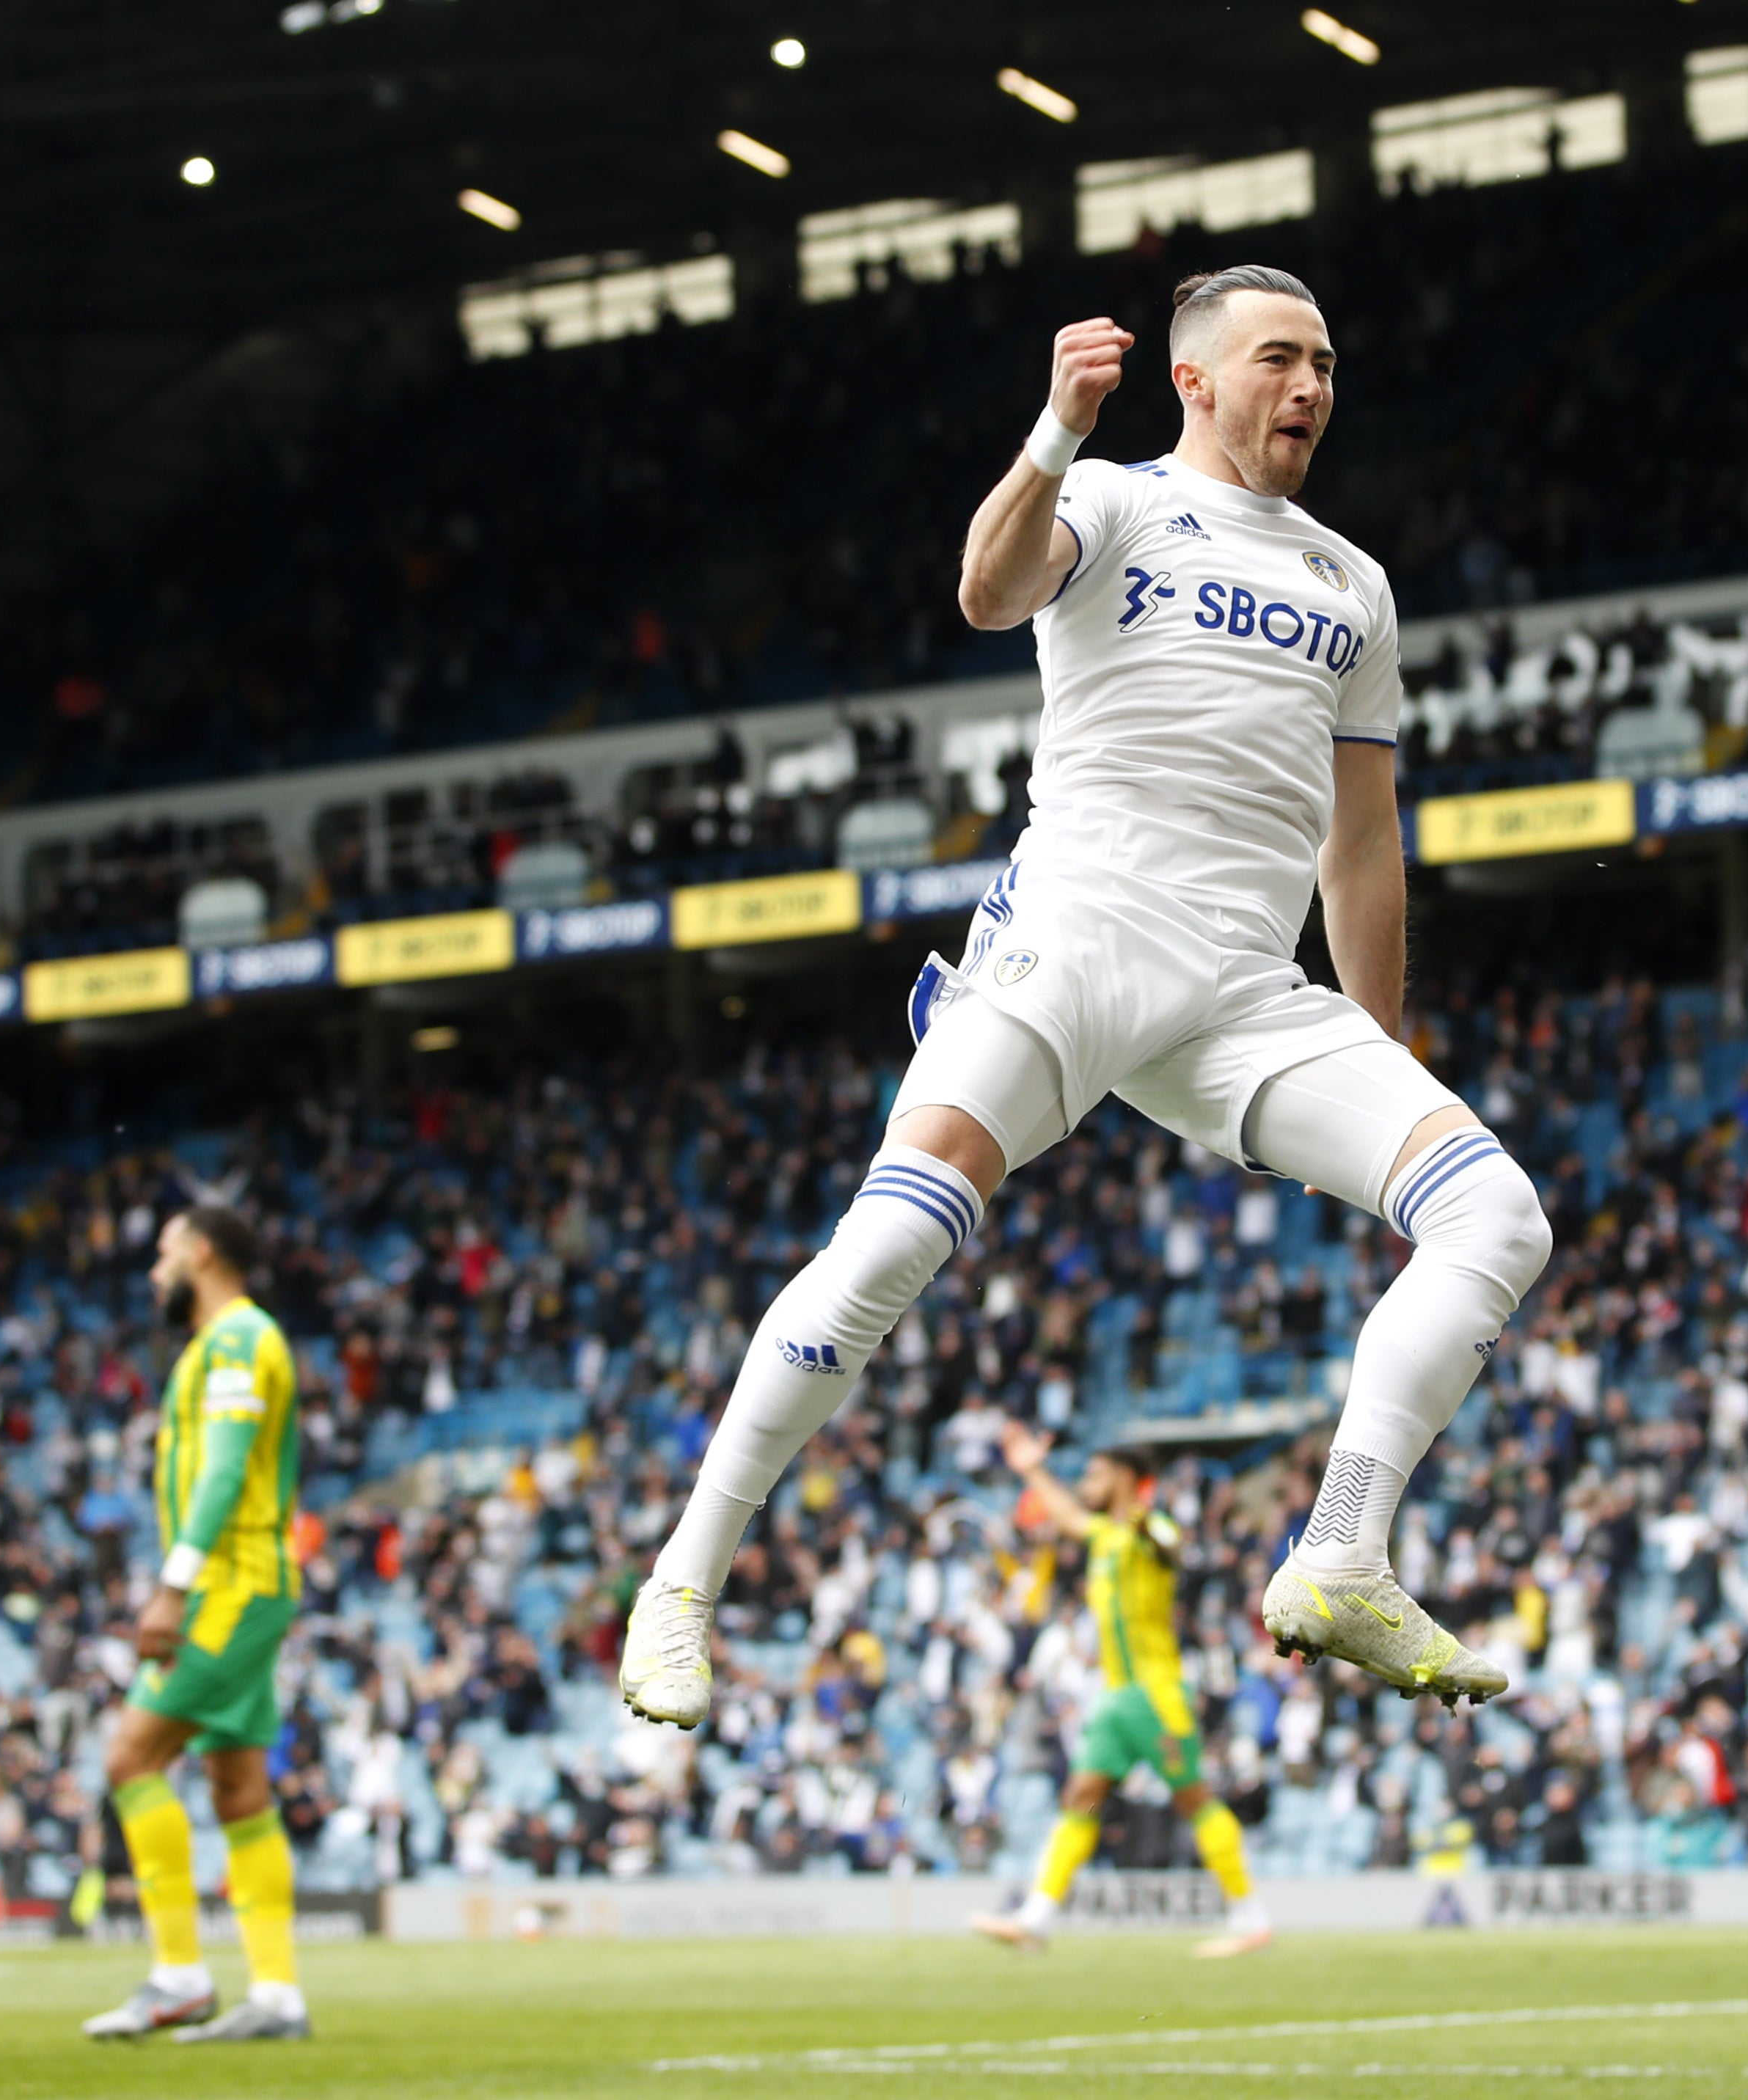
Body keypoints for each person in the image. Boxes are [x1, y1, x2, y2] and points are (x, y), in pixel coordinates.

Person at [621, 263, 1549, 1729]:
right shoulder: (1114, 501)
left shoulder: (1351, 584)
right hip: (1080, 931)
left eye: (1322, 361)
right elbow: (986, 592)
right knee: (894, 1236)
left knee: (1496, 1214)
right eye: (1276, 360)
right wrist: (1052, 432)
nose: (1308, 386)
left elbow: (1359, 842)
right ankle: (683, 1576)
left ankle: (1342, 1554)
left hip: (1248, 990)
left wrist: (1373, 1059)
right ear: (1193, 379)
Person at [81, 1207, 311, 2044]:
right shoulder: (221, 1344)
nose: (153, 1268)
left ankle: (178, 1975)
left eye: (164, 1251)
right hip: (236, 1581)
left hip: (231, 1585)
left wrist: (172, 1586)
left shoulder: (240, 1339)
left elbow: (222, 1471)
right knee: (237, 1787)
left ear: (202, 1252)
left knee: (131, 1754)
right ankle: (278, 1996)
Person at [968, 1426, 1270, 1956]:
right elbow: (1065, 1516)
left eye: (1095, 1473)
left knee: (1193, 1798)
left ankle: (1250, 1918)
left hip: (1155, 1695)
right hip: (1115, 1697)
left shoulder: (1147, 1527)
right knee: (1079, 1797)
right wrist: (1031, 1470)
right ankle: (1035, 1918)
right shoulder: (1105, 1535)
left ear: (1125, 1478)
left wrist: (1149, 1527)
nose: (1086, 1482)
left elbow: (1172, 1546)